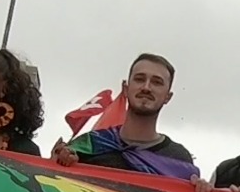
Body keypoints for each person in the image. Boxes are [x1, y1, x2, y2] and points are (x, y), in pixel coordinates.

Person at [52, 53, 196, 174]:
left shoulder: (179, 160)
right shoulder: (87, 145)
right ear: (126, 89)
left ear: (168, 97)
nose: (146, 88)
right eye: (139, 79)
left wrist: (202, 191)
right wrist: (58, 164)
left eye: (157, 82)